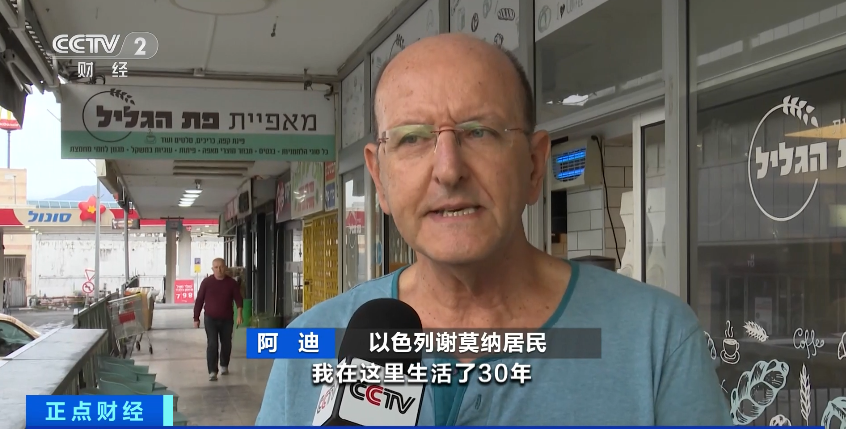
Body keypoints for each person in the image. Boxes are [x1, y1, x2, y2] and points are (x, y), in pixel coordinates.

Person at [256, 33, 731, 426]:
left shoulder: (655, 341)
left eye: (479, 131)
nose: (448, 170)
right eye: (413, 138)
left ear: (534, 165)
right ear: (379, 177)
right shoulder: (309, 346)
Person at [193, 257, 243, 381]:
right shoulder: (206, 282)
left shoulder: (231, 283)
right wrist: (196, 318)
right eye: (216, 267)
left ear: (225, 268)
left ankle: (224, 365)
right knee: (212, 344)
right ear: (212, 269)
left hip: (227, 319)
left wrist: (239, 315)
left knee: (226, 343)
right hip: (210, 319)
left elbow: (238, 299)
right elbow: (199, 300)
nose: (219, 269)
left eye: (221, 267)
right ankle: (212, 371)